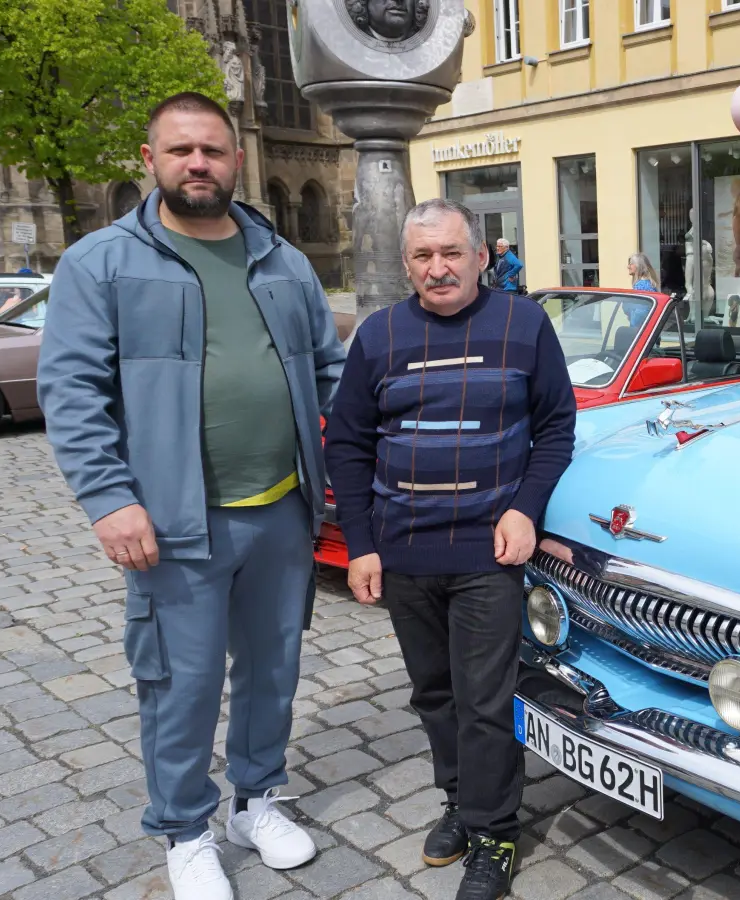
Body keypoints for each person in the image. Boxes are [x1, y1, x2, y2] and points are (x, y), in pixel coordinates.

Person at [37, 92, 346, 900]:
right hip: (173, 524)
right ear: (152, 161)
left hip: (281, 509)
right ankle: (183, 828)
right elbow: (71, 391)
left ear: (237, 158)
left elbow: (329, 369)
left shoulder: (283, 258)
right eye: (181, 151)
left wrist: (348, 459)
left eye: (212, 149)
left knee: (273, 669)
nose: (198, 164)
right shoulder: (101, 262)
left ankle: (255, 797)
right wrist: (109, 499)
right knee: (182, 681)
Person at [324, 198, 576, 900]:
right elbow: (347, 444)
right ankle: (461, 803)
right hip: (404, 555)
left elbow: (557, 427)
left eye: (450, 254)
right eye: (422, 257)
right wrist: (364, 546)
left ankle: (496, 831)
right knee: (435, 694)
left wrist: (526, 508)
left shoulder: (523, 325)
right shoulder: (378, 336)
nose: (438, 269)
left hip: (486, 555)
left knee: (486, 700)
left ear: (480, 257)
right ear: (406, 264)